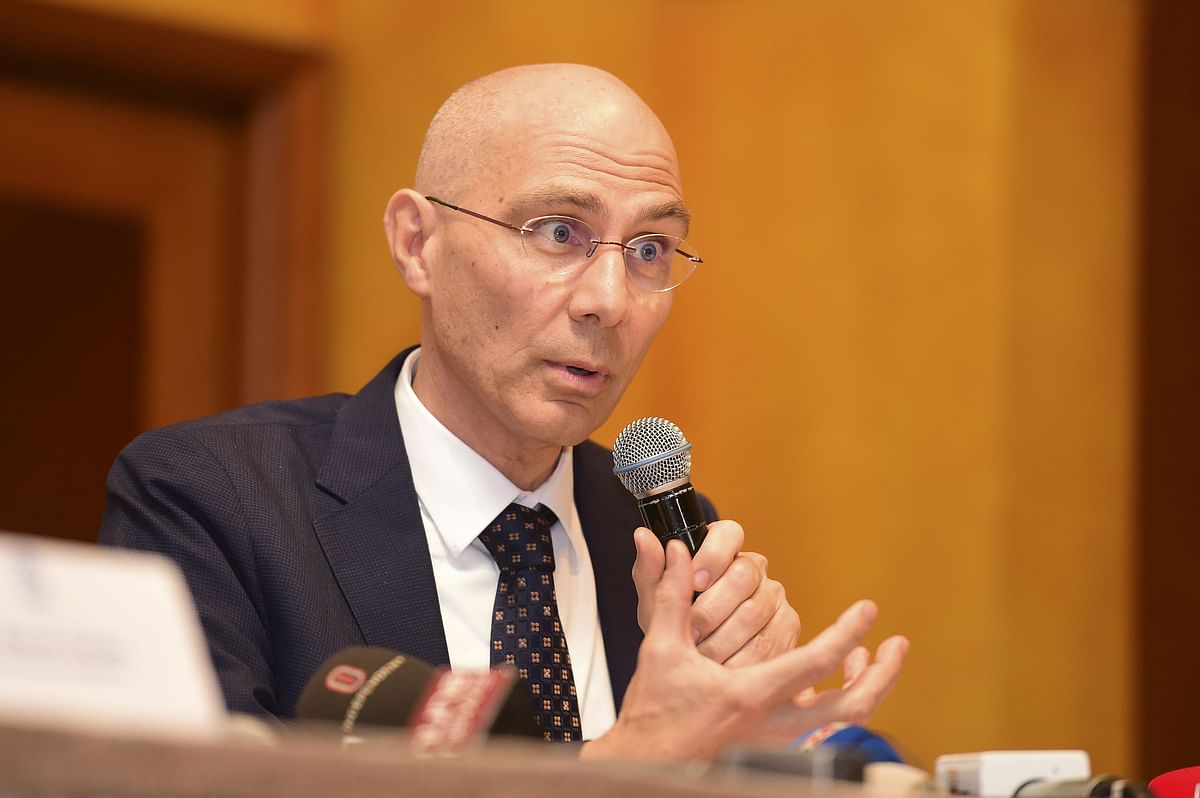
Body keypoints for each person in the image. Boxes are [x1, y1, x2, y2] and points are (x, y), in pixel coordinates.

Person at [100, 63, 908, 759]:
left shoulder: (658, 536)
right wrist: (632, 766)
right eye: (559, 231)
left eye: (650, 250)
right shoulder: (214, 497)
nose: (608, 301)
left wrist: (751, 757)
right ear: (418, 243)